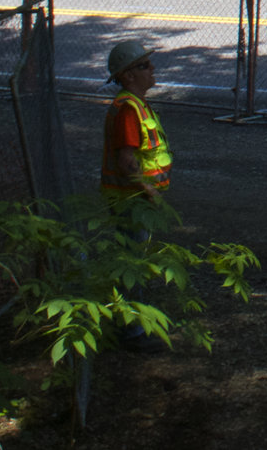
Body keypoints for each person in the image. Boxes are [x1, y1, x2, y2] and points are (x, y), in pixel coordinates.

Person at [101, 38, 172, 352]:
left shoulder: (135, 104)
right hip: (132, 201)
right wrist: (148, 192)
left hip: (135, 200)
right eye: (144, 65)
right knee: (131, 265)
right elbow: (127, 161)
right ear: (128, 76)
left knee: (134, 262)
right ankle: (131, 333)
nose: (152, 69)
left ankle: (133, 326)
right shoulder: (128, 109)